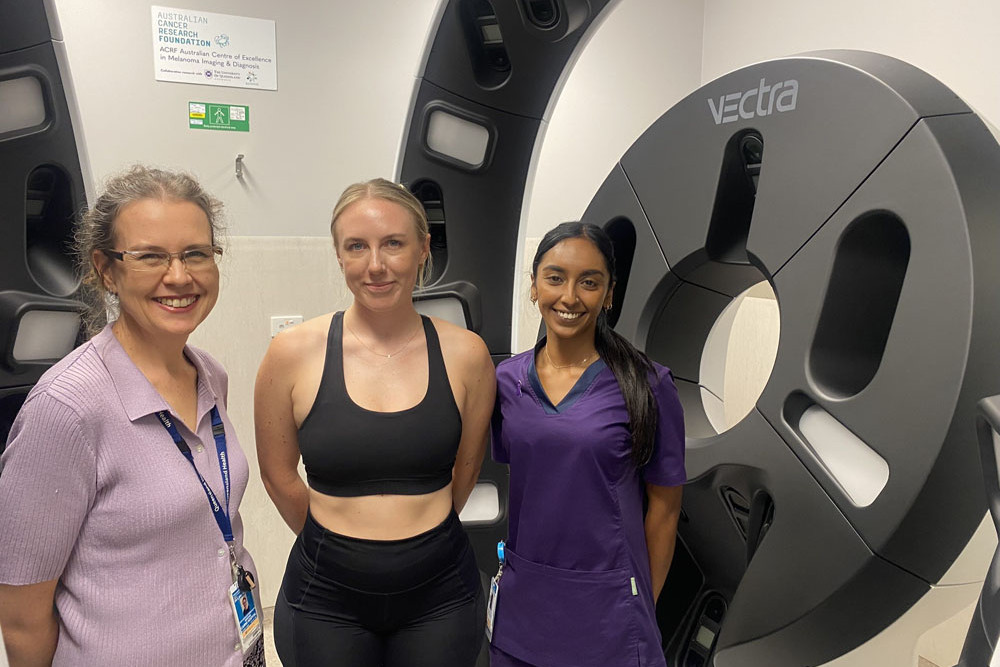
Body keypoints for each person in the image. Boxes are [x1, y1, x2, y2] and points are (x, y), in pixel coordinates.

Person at [0, 166, 263, 666]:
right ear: (105, 270)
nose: (180, 276)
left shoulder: (209, 375)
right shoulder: (67, 407)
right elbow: (21, 616)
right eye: (150, 257)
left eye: (196, 254)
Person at [256, 177, 495, 666]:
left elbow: (467, 471)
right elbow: (278, 474)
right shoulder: (292, 354)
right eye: (357, 247)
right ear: (339, 254)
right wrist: (342, 548)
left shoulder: (467, 354)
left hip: (440, 592)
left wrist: (415, 542)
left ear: (424, 248)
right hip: (327, 596)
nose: (376, 265)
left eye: (393, 244)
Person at [489, 222, 686, 667]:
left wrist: (640, 606)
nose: (570, 297)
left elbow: (665, 509)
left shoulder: (649, 385)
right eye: (555, 278)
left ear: (609, 294)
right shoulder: (505, 382)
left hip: (612, 614)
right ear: (535, 286)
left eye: (590, 283)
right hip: (524, 608)